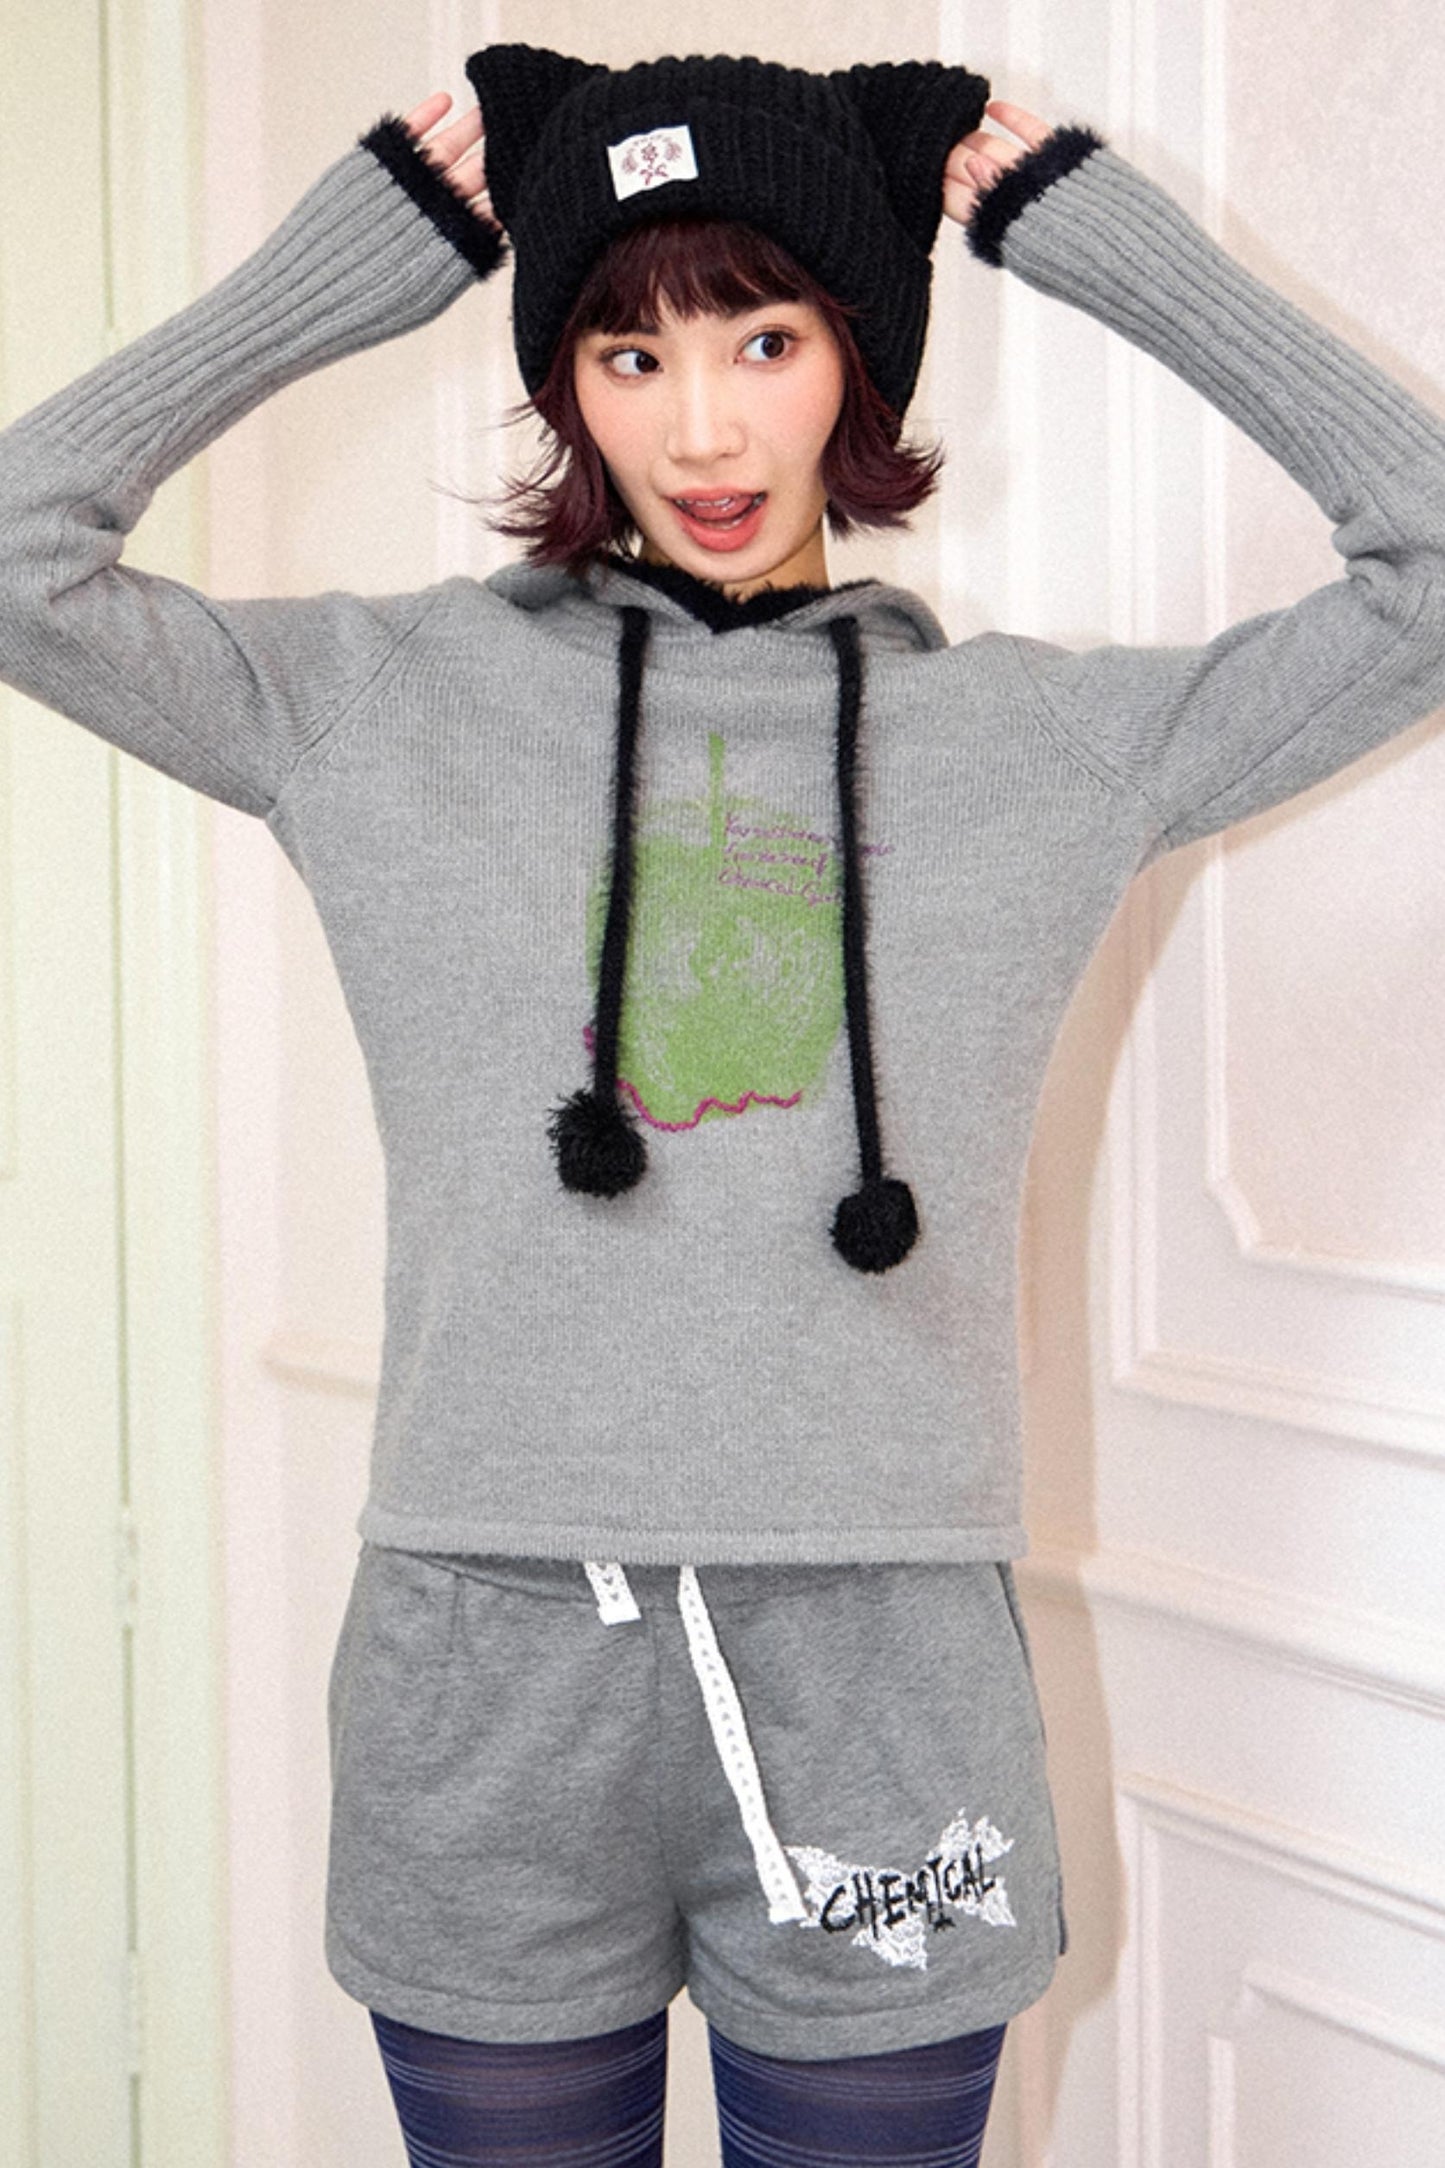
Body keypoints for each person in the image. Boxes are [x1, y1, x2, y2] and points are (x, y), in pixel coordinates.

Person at [3, 40, 1444, 2168]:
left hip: (884, 1670)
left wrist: (1094, 236)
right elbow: (22, 551)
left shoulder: (1039, 749)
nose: (699, 428)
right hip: (489, 1670)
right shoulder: (383, 704)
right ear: (564, 386)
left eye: (764, 340)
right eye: (628, 351)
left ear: (858, 356)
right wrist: (355, 259)